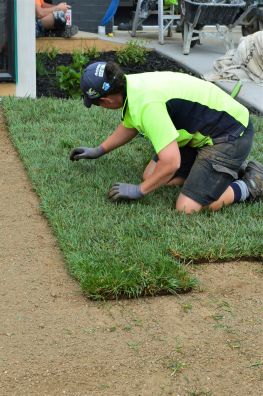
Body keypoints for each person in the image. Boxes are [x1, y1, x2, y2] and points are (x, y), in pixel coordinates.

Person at [69, 61, 263, 214]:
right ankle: (225, 171)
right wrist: (99, 150)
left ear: (106, 100)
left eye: (97, 104)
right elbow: (130, 124)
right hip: (206, 130)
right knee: (151, 175)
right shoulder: (132, 86)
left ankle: (252, 183)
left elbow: (171, 163)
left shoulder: (147, 105)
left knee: (187, 207)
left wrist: (140, 190)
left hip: (231, 135)